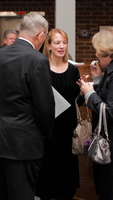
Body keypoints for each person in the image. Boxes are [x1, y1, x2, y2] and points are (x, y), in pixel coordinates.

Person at [0, 12, 55, 200]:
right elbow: (44, 107)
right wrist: (48, 133)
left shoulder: (1, 55)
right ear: (40, 36)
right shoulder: (37, 60)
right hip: (24, 143)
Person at [36, 28, 81, 200]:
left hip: (69, 129)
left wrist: (84, 93)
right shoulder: (41, 68)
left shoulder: (73, 69)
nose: (61, 46)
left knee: (67, 173)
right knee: (48, 171)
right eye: (57, 43)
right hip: (48, 130)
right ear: (48, 46)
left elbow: (77, 101)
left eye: (64, 42)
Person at [77, 28, 113, 200]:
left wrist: (90, 93)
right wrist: (98, 79)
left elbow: (110, 111)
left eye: (98, 53)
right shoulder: (109, 72)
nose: (96, 56)